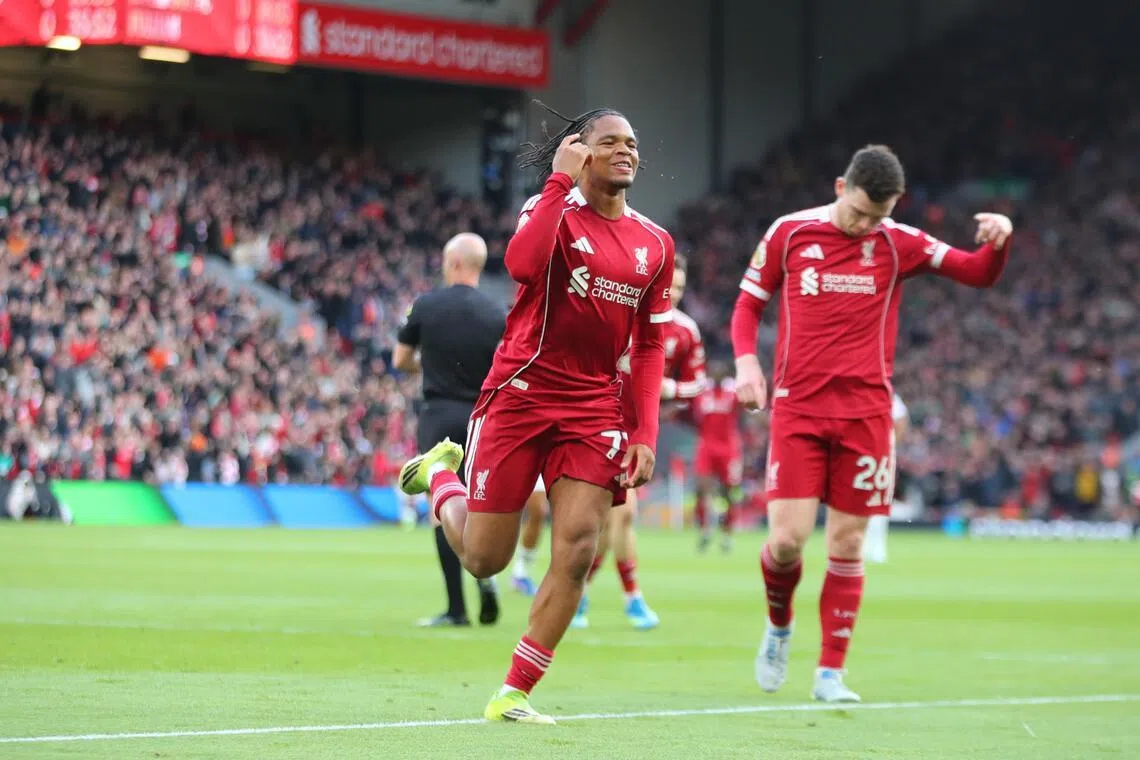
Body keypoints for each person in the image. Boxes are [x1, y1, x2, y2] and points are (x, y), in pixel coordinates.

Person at [398, 106, 674, 724]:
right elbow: (521, 267)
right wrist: (557, 180)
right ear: (581, 152)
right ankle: (440, 477)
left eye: (632, 143)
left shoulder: (654, 243)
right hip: (520, 393)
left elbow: (649, 346)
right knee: (484, 559)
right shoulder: (549, 209)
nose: (626, 151)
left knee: (576, 548)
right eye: (611, 142)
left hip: (594, 405)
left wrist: (645, 430)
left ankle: (514, 692)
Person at [731, 144, 1013, 703]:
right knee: (786, 542)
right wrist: (746, 363)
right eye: (859, 212)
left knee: (849, 543)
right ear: (840, 187)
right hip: (799, 409)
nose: (865, 225)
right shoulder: (790, 232)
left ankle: (830, 673)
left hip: (866, 416)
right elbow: (747, 305)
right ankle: (780, 627)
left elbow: (976, 273)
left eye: (877, 216)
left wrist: (999, 240)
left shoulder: (897, 241)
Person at [571, 254, 704, 630]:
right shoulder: (619, 316)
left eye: (679, 288)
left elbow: (699, 384)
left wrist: (670, 387)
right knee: (618, 516)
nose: (673, 294)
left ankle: (583, 592)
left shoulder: (685, 332)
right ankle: (627, 597)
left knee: (615, 518)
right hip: (599, 425)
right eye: (669, 287)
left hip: (640, 434)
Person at [393, 232, 506, 629]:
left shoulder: (426, 305)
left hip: (438, 413)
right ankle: (486, 577)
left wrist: (431, 365)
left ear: (454, 262)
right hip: (483, 417)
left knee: (442, 508)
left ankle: (457, 608)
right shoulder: (497, 314)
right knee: (477, 503)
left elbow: (401, 358)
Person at [692, 359, 742, 554]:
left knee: (729, 493)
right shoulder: (703, 391)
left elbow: (747, 411)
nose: (717, 371)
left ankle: (727, 534)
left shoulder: (734, 390)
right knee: (702, 488)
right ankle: (705, 530)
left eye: (721, 368)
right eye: (714, 368)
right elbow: (691, 413)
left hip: (729, 448)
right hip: (706, 445)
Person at [861, 392, 909, 564]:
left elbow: (901, 420)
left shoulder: (885, 393)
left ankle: (876, 548)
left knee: (876, 500)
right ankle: (865, 547)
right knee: (861, 501)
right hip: (858, 453)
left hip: (878, 455)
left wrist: (889, 445)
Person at [510, 479, 549, 596]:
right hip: (505, 462)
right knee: (500, 510)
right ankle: (488, 576)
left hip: (537, 461)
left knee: (539, 510)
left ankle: (521, 572)